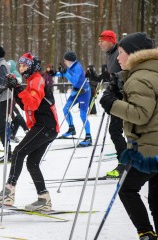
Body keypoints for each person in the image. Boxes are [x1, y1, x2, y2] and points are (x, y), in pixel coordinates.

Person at [100, 32, 158, 240]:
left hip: (149, 148)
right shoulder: (151, 72)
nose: (118, 57)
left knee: (126, 189)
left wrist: (111, 103)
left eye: (122, 52)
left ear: (134, 54)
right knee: (156, 198)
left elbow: (141, 115)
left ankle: (145, 232)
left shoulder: (140, 78)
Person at [0, 52, 59, 211]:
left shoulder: (37, 80)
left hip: (46, 126)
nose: (21, 68)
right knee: (32, 162)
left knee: (18, 152)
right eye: (20, 65)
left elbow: (32, 104)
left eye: (25, 65)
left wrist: (18, 88)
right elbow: (25, 103)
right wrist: (15, 88)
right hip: (44, 127)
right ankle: (44, 198)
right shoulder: (32, 80)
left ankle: (9, 192)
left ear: (33, 67)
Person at [98, 30, 127, 178]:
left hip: (123, 98)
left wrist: (114, 78)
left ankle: (124, 164)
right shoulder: (109, 54)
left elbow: (128, 71)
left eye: (102, 40)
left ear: (110, 40)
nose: (99, 43)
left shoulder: (120, 52)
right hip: (115, 96)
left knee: (116, 131)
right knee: (116, 131)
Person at [58, 51, 92, 147]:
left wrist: (65, 73)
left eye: (65, 60)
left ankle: (89, 137)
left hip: (84, 93)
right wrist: (54, 73)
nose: (64, 61)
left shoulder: (77, 67)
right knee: (65, 109)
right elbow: (65, 74)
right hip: (76, 92)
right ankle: (71, 129)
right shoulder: (71, 66)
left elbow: (74, 80)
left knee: (82, 114)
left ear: (69, 60)